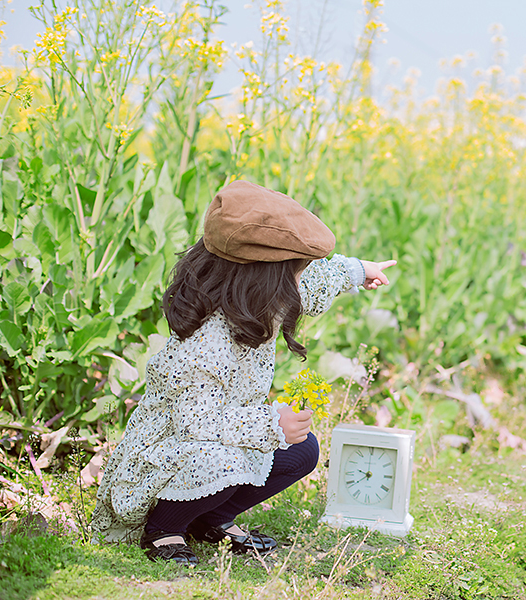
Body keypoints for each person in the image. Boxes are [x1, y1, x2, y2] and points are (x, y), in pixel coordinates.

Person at [89, 180, 396, 565]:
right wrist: (271, 424)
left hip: (218, 439)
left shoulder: (257, 299)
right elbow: (197, 423)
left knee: (302, 451)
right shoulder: (206, 341)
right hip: (168, 455)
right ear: (264, 278)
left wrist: (356, 271)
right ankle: (163, 528)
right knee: (226, 462)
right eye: (295, 275)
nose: (300, 283)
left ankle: (211, 521)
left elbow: (314, 283)